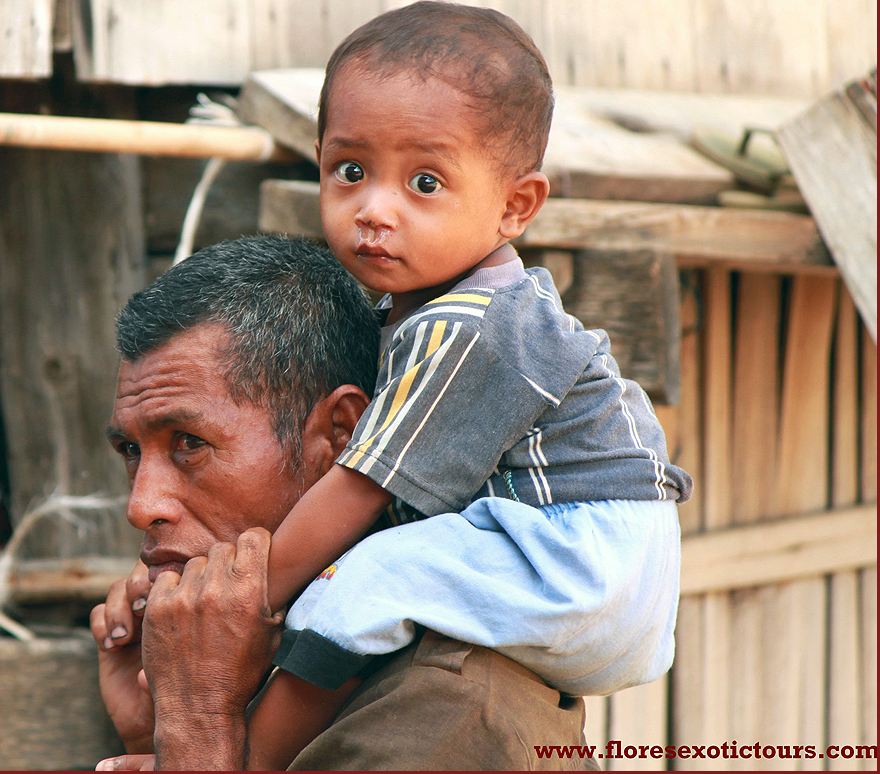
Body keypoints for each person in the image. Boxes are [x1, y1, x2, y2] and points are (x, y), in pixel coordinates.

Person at [236, 0, 693, 770]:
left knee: (358, 585)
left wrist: (249, 602)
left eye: (423, 181)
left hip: (579, 556)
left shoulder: (471, 323)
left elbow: (357, 489)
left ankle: (238, 760)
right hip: (587, 562)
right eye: (348, 170)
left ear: (515, 204)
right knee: (373, 596)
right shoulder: (428, 311)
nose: (373, 209)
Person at [92, 234, 601, 771]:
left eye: (189, 443)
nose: (141, 505)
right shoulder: (275, 671)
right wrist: (155, 731)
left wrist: (197, 722)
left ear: (342, 433)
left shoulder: (444, 717)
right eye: (129, 449)